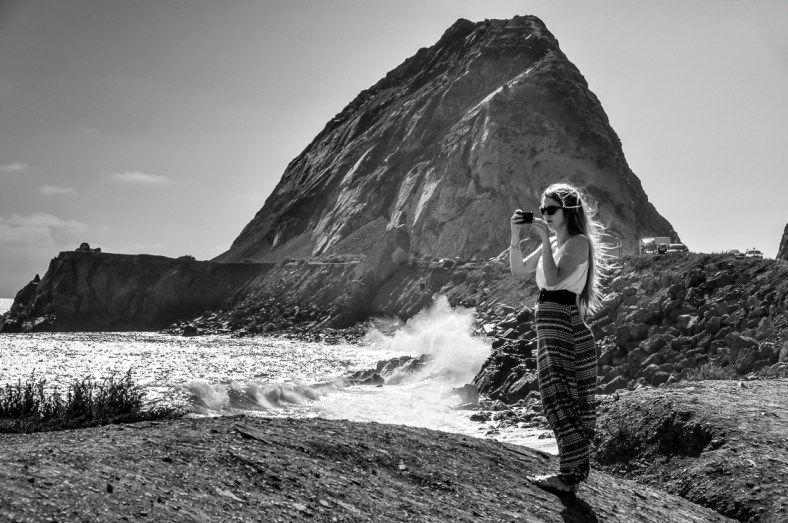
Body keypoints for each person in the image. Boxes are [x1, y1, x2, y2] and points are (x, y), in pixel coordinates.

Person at [508, 182, 611, 496]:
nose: (544, 215)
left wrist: (542, 237)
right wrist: (515, 236)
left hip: (562, 321)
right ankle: (570, 472)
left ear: (568, 211)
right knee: (553, 396)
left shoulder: (578, 242)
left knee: (562, 396)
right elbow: (518, 269)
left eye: (550, 210)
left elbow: (552, 280)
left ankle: (570, 476)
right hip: (550, 323)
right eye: (542, 210)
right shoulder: (553, 242)